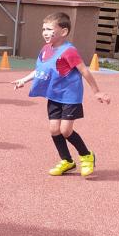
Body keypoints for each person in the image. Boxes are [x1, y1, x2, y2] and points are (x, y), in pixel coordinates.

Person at [13, 11, 110, 177]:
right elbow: (40, 70)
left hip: (70, 96)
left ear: (63, 31)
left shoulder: (69, 51)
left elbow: (84, 71)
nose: (45, 32)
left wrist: (97, 92)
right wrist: (24, 80)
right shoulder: (46, 49)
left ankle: (87, 155)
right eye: (43, 29)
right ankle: (67, 161)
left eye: (50, 29)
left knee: (65, 130)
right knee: (54, 129)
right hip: (54, 95)